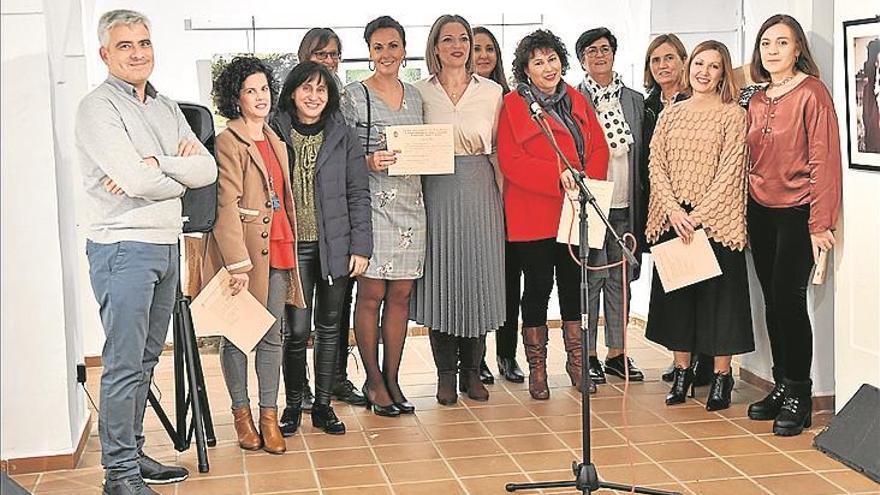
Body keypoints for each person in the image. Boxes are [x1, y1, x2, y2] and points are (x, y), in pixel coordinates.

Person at [75, 9, 216, 494]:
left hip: (165, 243)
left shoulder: (165, 106)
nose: (138, 53)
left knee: (147, 360)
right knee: (123, 363)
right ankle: (118, 476)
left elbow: (209, 171)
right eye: (125, 46)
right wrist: (175, 170)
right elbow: (139, 181)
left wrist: (157, 163)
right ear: (105, 54)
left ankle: (132, 455)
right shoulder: (98, 108)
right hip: (122, 248)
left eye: (144, 43)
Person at [497, 29, 609, 399]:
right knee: (538, 288)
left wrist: (587, 180)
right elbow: (511, 160)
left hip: (576, 208)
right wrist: (556, 177)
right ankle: (538, 369)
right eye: (538, 62)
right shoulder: (514, 104)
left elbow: (598, 147)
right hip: (533, 212)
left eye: (553, 60)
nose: (548, 68)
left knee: (574, 289)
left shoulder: (576, 98)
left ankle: (577, 365)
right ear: (526, 69)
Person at [202, 56, 304, 455]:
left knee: (272, 336)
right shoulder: (229, 141)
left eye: (264, 89)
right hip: (245, 256)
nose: (260, 97)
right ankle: (242, 416)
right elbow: (225, 204)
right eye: (250, 90)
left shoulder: (275, 137)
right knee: (239, 336)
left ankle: (268, 416)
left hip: (278, 246)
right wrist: (236, 263)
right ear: (236, 97)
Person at [745, 15, 842, 436]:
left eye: (781, 42)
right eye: (766, 42)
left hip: (799, 212)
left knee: (789, 301)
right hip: (759, 210)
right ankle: (782, 384)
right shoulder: (755, 96)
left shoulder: (812, 93)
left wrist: (821, 222)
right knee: (770, 302)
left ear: (797, 48)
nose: (772, 50)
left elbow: (824, 160)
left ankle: (801, 394)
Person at [645, 40, 753, 412]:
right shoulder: (670, 114)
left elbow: (731, 171)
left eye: (714, 66)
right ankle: (681, 372)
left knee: (719, 302)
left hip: (716, 219)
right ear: (689, 67)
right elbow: (655, 164)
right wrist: (674, 211)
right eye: (699, 64)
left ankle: (722, 377)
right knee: (680, 301)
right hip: (674, 217)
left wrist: (698, 215)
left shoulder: (733, 115)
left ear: (723, 73)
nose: (704, 72)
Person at [272, 61, 372, 435]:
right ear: (293, 92)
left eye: (321, 90)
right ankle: (295, 404)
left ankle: (325, 407)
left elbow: (358, 194)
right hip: (292, 248)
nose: (314, 97)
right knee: (296, 331)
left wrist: (360, 247)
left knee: (330, 329)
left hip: (335, 246)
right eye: (306, 89)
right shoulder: (274, 131)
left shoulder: (341, 134)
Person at [411, 14, 506, 405]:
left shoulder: (493, 92)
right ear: (435, 47)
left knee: (477, 281)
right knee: (441, 281)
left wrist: (501, 203)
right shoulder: (417, 92)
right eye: (447, 39)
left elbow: (500, 150)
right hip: (435, 191)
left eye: (463, 38)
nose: (457, 45)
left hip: (481, 189)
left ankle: (473, 372)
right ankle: (445, 376)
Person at [341, 16, 425, 416]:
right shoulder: (353, 95)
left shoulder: (417, 96)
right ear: (369, 52)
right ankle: (373, 382)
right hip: (372, 205)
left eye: (393, 46)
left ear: (404, 50)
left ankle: (393, 378)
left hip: (411, 204)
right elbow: (338, 153)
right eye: (378, 47)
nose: (386, 54)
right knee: (371, 295)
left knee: (401, 296)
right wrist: (369, 160)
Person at [294, 27, 366, 408]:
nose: (329, 61)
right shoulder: (286, 110)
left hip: (340, 225)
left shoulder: (347, 101)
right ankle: (300, 390)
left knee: (336, 315)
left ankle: (336, 379)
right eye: (320, 54)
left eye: (334, 54)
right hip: (303, 232)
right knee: (298, 323)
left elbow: (354, 169)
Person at [574, 27, 647, 387]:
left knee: (621, 281)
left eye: (605, 49)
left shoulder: (634, 100)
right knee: (591, 279)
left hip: (625, 203)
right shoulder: (572, 99)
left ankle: (617, 353)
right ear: (581, 59)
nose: (599, 55)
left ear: (614, 53)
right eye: (591, 50)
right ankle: (587, 355)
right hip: (590, 204)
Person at [641, 34, 714, 386]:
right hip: (662, 206)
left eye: (669, 58)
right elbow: (652, 160)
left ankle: (702, 361)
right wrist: (666, 205)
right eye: (655, 60)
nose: (662, 66)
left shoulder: (697, 99)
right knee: (674, 286)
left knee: (703, 286)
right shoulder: (648, 104)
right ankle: (681, 359)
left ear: (684, 61)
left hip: (701, 208)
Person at [471, 25, 524, 386]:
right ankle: (478, 359)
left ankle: (507, 354)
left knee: (509, 285)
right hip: (476, 202)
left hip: (512, 204)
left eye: (490, 48)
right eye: (477, 48)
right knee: (479, 283)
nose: (484, 55)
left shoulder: (511, 98)